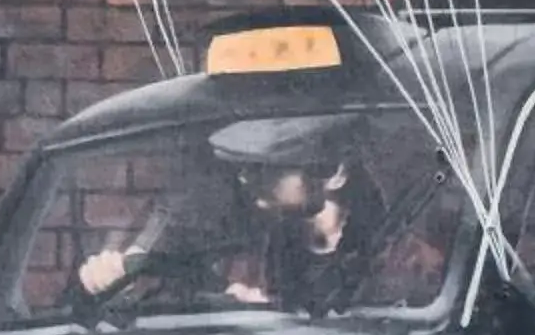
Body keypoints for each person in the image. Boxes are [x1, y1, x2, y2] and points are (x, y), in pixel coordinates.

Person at [76, 116, 447, 317]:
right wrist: (117, 285)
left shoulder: (412, 266)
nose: (245, 178)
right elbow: (171, 311)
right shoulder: (236, 257)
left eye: (268, 167)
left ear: (334, 173)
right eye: (244, 167)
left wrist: (278, 321)